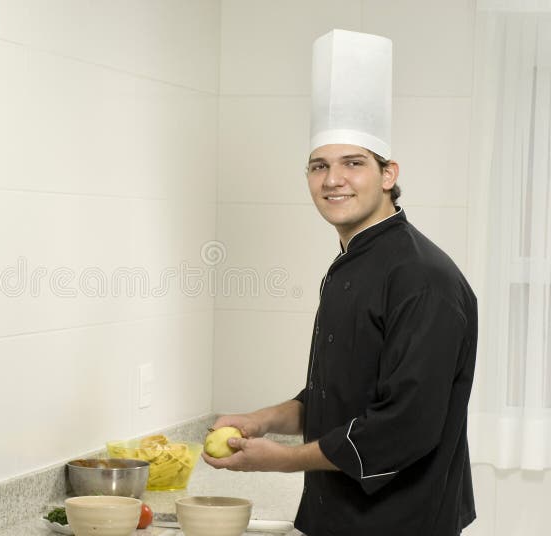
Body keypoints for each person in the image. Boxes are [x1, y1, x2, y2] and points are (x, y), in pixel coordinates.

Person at [203, 30, 477, 536]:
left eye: (354, 163)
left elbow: (402, 428)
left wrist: (277, 460)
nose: (333, 180)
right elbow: (336, 395)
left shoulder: (423, 279)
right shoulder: (351, 266)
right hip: (333, 518)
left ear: (388, 173)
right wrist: (262, 421)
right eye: (319, 166)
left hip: (400, 523)